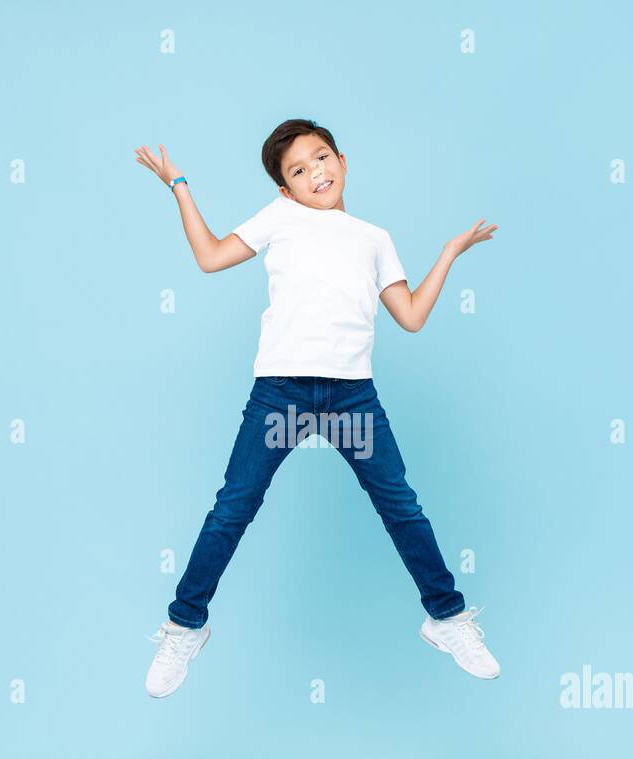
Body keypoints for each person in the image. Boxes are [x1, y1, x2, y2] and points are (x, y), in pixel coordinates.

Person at [133, 119, 500, 698]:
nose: (316, 173)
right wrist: (178, 183)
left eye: (322, 158)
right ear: (285, 190)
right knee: (234, 507)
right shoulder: (280, 219)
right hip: (282, 392)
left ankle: (447, 619)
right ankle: (185, 626)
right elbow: (209, 258)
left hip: (351, 394)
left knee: (401, 507)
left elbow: (410, 315)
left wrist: (450, 252)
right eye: (298, 171)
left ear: (343, 160)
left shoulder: (374, 238)